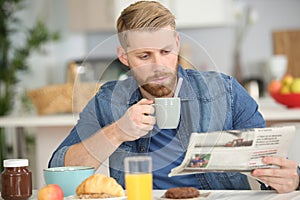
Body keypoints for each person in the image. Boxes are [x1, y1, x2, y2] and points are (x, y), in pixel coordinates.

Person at [49, 1, 299, 193]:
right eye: (144, 56)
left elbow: (273, 166)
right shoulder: (108, 101)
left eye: (166, 51)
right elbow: (60, 172)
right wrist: (117, 133)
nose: (159, 66)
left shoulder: (226, 91)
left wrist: (290, 179)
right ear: (124, 57)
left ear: (177, 44)